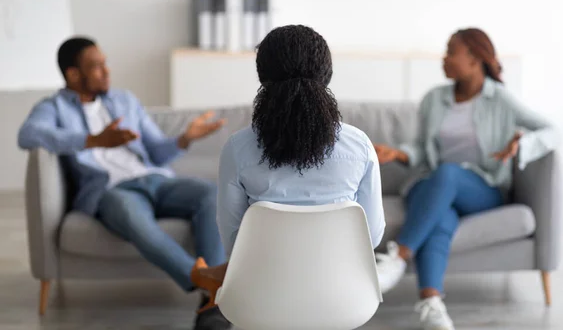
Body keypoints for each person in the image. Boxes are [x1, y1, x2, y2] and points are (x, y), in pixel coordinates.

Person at [17, 37, 229, 330]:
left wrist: (184, 139)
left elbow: (156, 151)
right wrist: (92, 140)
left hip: (153, 179)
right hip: (111, 191)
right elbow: (28, 135)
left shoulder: (124, 100)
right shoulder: (54, 107)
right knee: (131, 216)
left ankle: (213, 297)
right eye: (96, 67)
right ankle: (209, 287)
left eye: (105, 64)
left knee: (211, 194)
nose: (107, 71)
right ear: (73, 74)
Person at [189, 25, 386, 320]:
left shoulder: (238, 148)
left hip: (259, 301)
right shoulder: (358, 146)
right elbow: (371, 236)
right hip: (343, 302)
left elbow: (233, 242)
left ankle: (217, 278)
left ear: (262, 78)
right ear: (326, 76)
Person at [373, 28, 559, 330]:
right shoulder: (434, 99)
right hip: (432, 185)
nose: (444, 59)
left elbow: (552, 131)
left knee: (448, 173)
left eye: (451, 52)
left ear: (474, 59)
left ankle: (400, 255)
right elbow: (422, 148)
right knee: (441, 218)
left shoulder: (500, 100)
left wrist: (521, 144)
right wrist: (399, 154)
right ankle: (432, 303)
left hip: (481, 189)